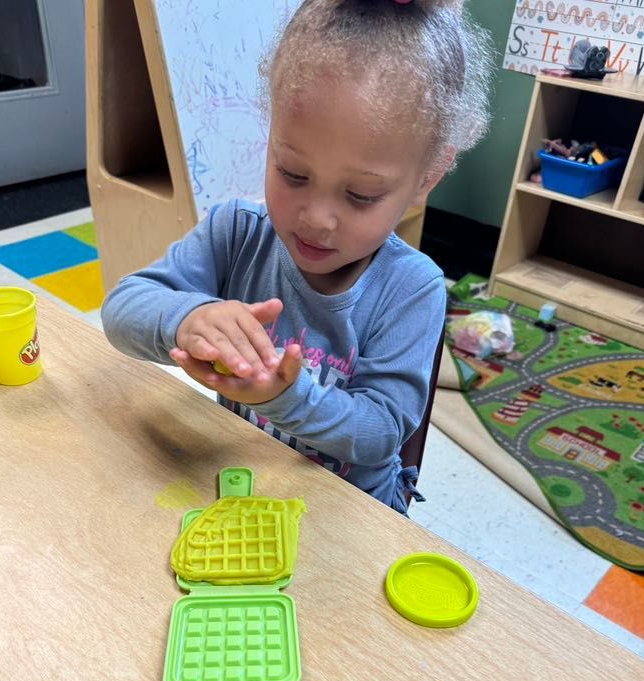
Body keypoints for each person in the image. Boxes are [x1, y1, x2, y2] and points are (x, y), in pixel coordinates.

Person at [101, 0, 491, 512]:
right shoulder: (237, 232)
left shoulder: (413, 288)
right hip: (244, 487)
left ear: (427, 178)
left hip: (354, 512)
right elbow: (121, 309)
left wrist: (285, 399)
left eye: (361, 196)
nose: (316, 218)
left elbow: (380, 435)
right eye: (293, 173)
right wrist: (186, 317)